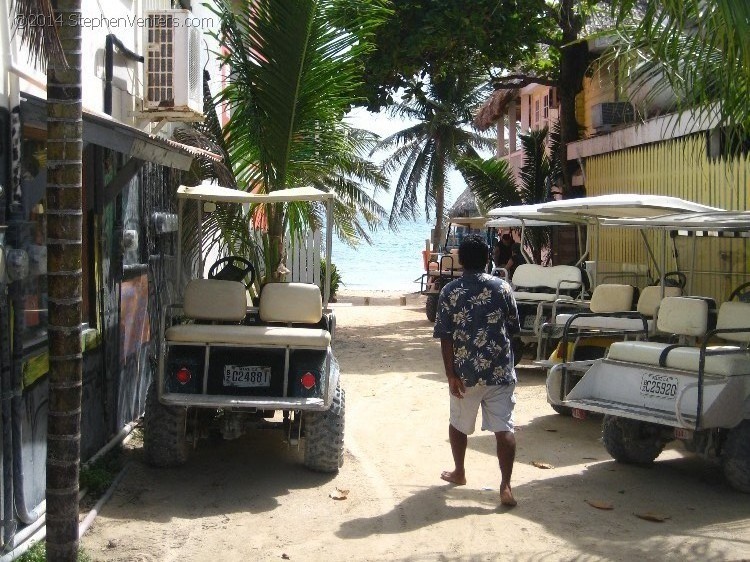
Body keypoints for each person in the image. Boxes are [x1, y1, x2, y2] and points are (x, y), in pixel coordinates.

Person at [433, 234, 521, 507]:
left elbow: (445, 336)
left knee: (458, 424)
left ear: (460, 261)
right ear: (487, 260)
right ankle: (505, 486)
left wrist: (450, 374)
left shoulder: (450, 292)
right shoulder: (502, 288)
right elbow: (514, 328)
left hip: (465, 373)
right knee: (504, 428)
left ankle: (459, 471)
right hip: (500, 371)